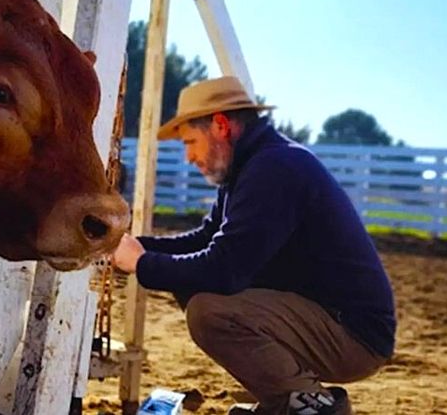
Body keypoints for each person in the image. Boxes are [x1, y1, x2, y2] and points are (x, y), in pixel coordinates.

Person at [113, 76, 396, 415]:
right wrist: (132, 247)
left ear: (220, 125)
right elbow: (205, 239)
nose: (189, 157)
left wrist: (142, 264)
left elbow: (224, 269)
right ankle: (284, 401)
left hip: (353, 334)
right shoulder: (253, 165)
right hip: (330, 319)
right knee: (194, 289)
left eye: (191, 141)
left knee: (210, 311)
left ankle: (310, 406)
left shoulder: (274, 168)